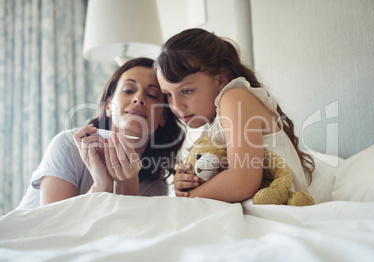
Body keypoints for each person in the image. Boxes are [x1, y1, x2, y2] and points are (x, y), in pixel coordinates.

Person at [155, 28, 314, 203]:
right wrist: (187, 183)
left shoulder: (235, 98)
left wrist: (189, 197)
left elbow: (243, 181)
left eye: (186, 91)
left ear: (220, 79)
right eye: (168, 94)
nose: (176, 105)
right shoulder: (214, 126)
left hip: (278, 203)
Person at [17, 57, 185, 209]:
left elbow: (123, 237)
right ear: (109, 106)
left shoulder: (155, 185)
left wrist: (126, 185)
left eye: (152, 94)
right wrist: (101, 186)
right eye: (128, 90)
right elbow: (54, 230)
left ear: (163, 116)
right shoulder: (67, 146)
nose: (138, 98)